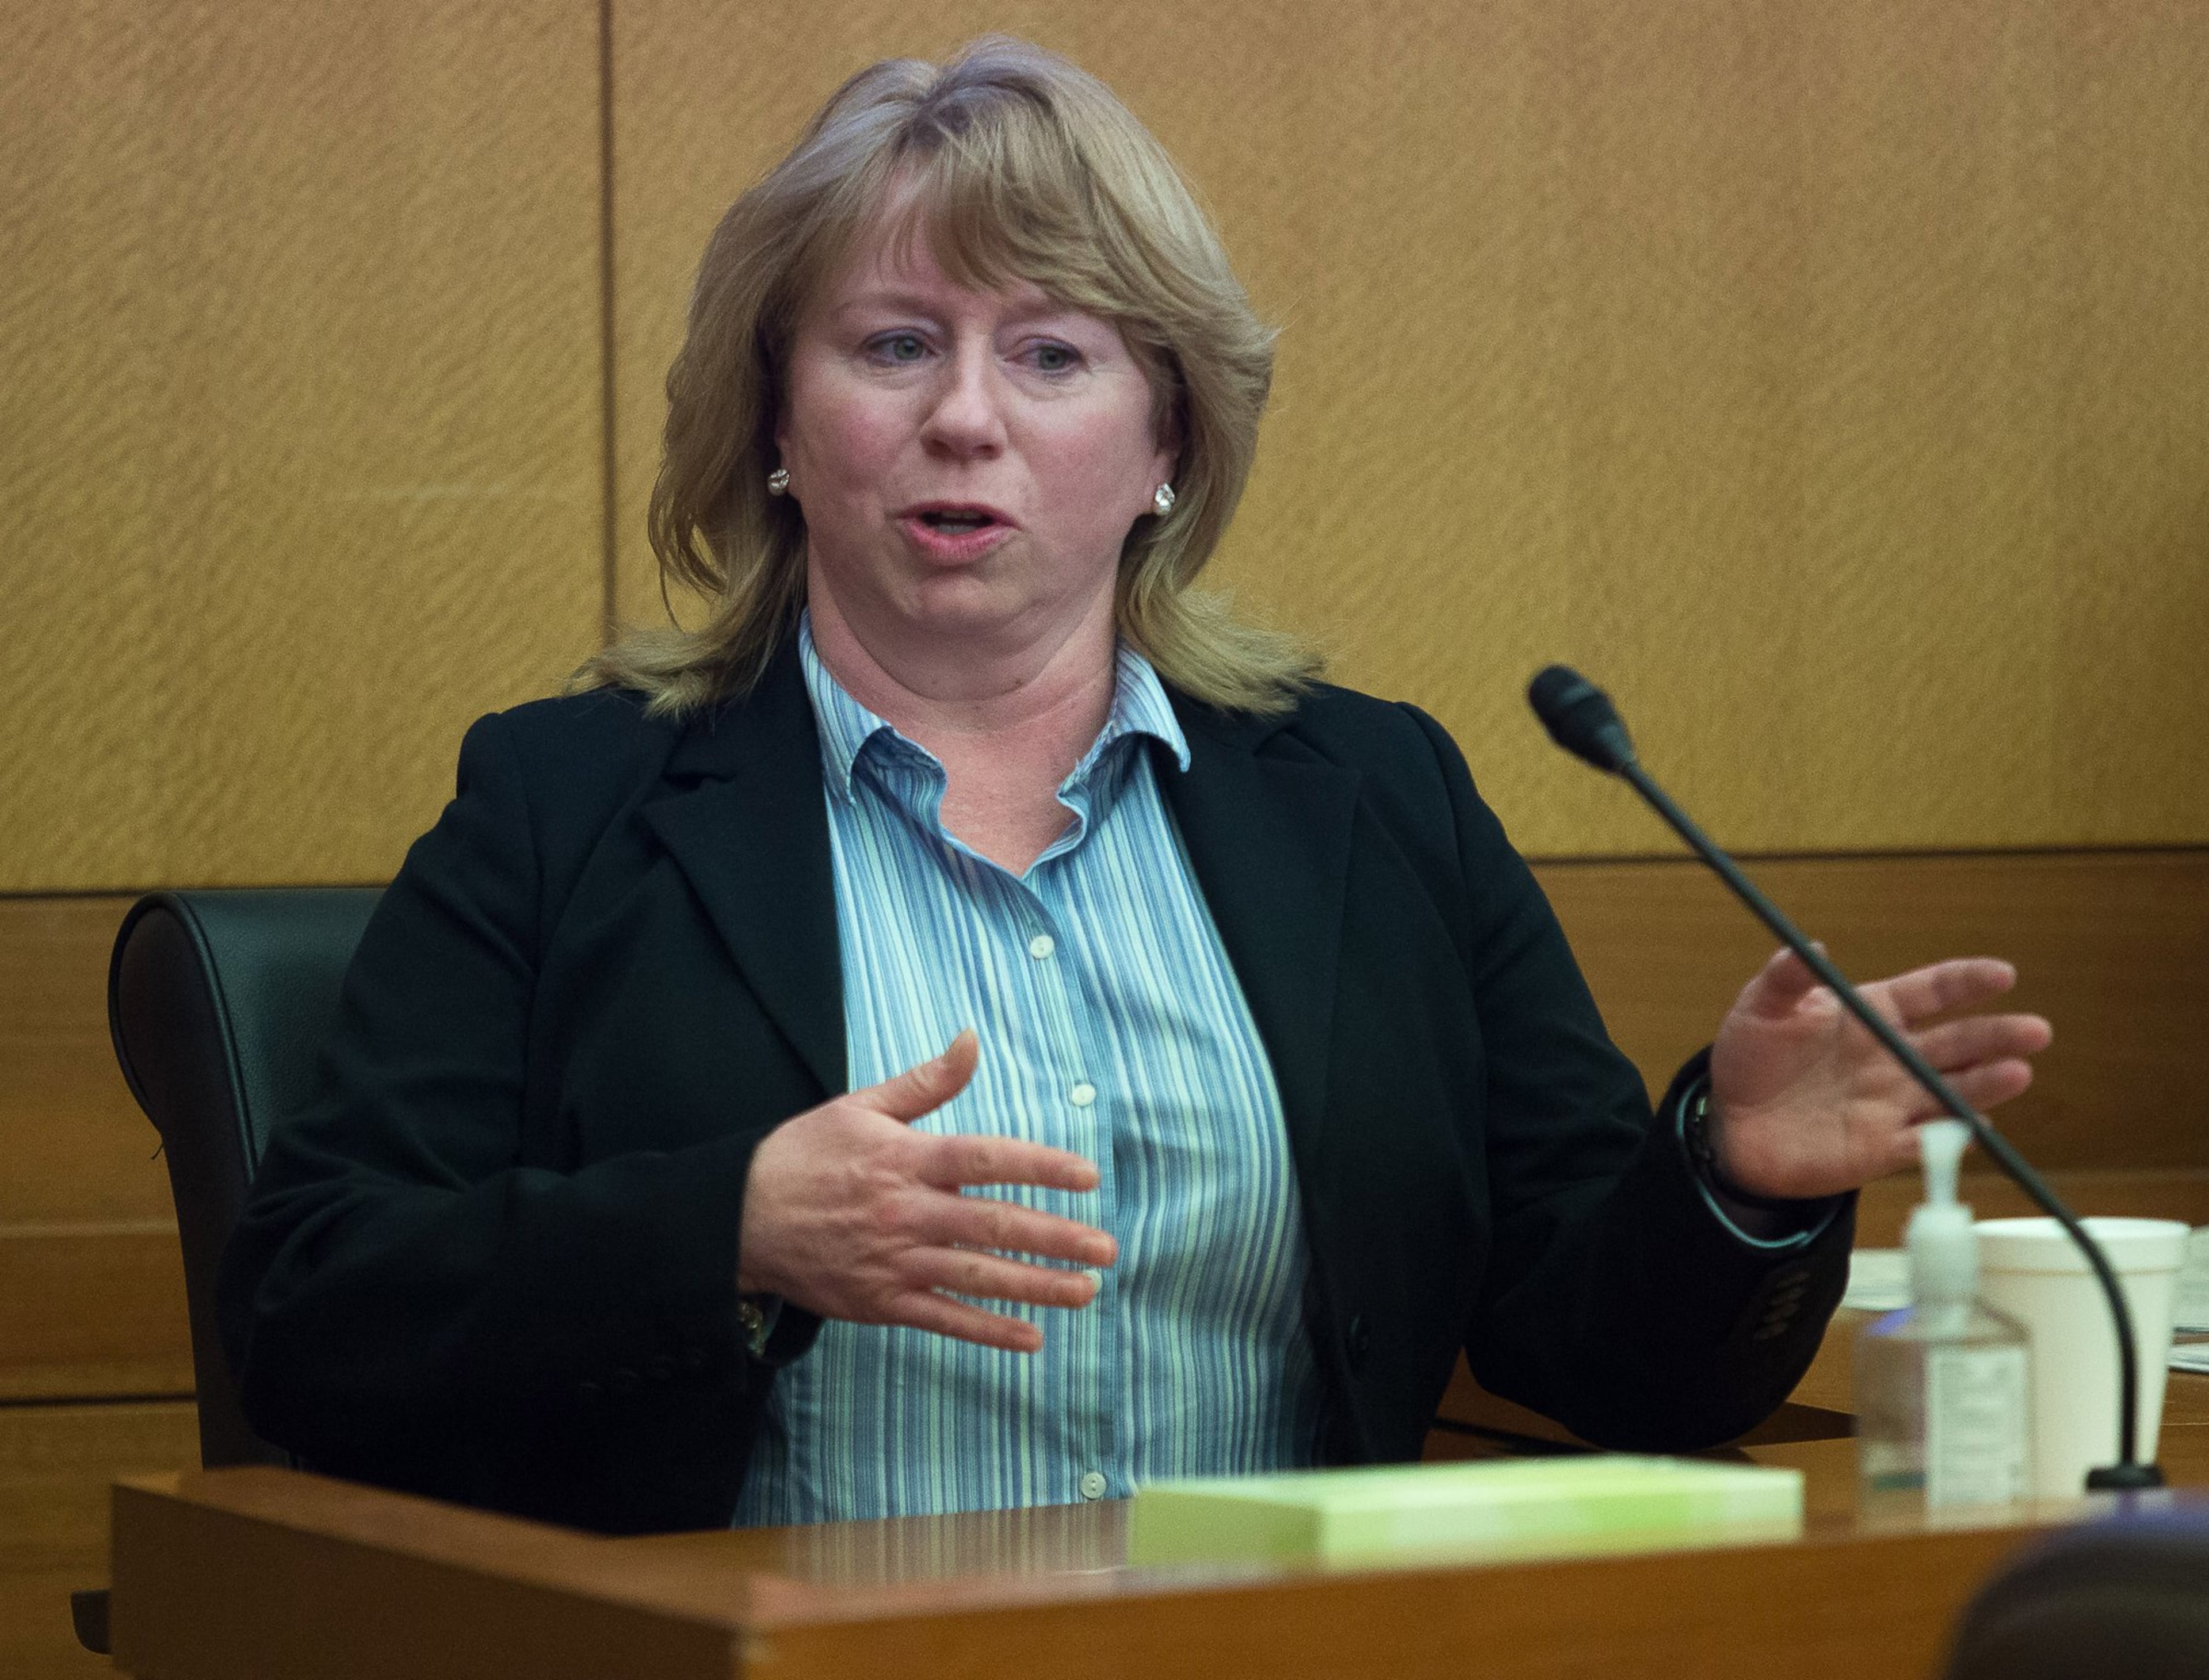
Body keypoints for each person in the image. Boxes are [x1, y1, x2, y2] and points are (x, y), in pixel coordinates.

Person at [219, 37, 2051, 1537]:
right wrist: (736, 1228)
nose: (966, 417)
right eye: (891, 344)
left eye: (1053, 353)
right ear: (777, 424)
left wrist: (1730, 1176)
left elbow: (1606, 1352)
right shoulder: (567, 804)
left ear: (1168, 438)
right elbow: (313, 1304)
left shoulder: (1369, 798)